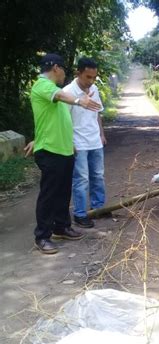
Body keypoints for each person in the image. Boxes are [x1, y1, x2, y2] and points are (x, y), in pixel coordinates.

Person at [29, 53, 101, 254]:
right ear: (55, 68)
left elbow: (51, 119)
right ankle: (42, 236)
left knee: (63, 192)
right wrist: (80, 101)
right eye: (63, 70)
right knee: (49, 194)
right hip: (50, 150)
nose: (64, 74)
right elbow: (61, 97)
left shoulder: (55, 89)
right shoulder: (42, 85)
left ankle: (61, 226)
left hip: (64, 149)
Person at [63, 58, 107, 228]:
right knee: (81, 179)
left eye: (94, 78)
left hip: (95, 141)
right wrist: (69, 143)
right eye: (88, 77)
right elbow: (64, 121)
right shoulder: (67, 92)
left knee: (98, 176)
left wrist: (102, 134)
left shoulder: (94, 89)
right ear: (78, 73)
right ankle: (80, 214)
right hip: (78, 143)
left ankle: (97, 208)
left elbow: (97, 113)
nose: (91, 81)